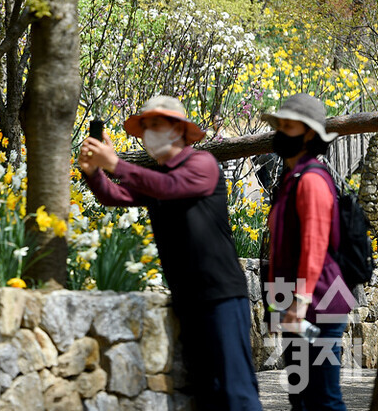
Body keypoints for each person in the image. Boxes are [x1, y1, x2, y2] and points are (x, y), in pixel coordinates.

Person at [79, 95, 261, 411]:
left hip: (221, 298)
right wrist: (93, 172)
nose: (148, 132)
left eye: (156, 125)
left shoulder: (202, 164)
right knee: (207, 395)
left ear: (178, 130)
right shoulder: (159, 179)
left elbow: (170, 187)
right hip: (189, 301)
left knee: (237, 394)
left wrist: (116, 164)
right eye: (145, 126)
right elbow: (114, 194)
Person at [261, 93, 353, 410]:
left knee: (324, 399)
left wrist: (299, 302)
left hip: (319, 305)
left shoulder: (312, 179)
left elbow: (315, 245)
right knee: (299, 398)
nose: (281, 132)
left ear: (309, 134)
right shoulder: (289, 178)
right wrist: (280, 305)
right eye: (280, 125)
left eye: (290, 126)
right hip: (294, 305)